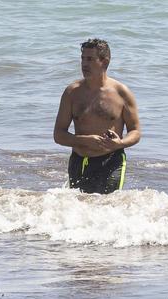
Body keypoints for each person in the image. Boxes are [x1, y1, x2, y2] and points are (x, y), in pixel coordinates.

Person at [53, 38, 141, 194]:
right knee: (79, 205)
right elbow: (59, 135)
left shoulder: (121, 93)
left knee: (108, 204)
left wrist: (119, 143)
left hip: (111, 161)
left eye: (90, 59)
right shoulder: (72, 93)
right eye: (82, 58)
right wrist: (84, 140)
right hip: (79, 160)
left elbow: (135, 132)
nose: (84, 64)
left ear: (104, 62)